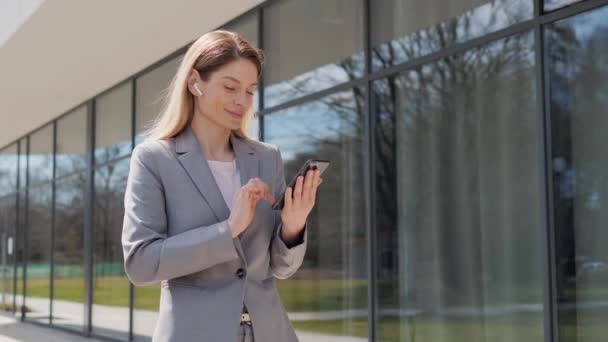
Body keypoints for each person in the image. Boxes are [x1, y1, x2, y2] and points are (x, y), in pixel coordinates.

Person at [121, 30, 322, 342]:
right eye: (230, 87)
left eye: (251, 91)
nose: (242, 101)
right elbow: (141, 264)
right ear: (195, 83)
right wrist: (228, 229)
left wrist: (292, 229)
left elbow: (280, 267)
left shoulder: (266, 158)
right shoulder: (154, 159)